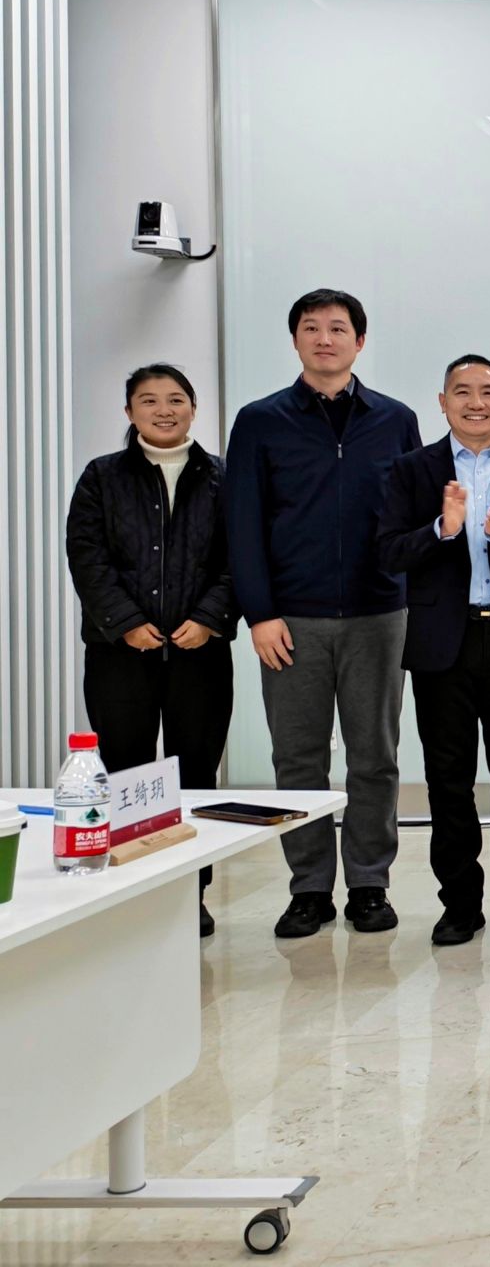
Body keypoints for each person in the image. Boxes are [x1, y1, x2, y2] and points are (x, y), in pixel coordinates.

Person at [225, 289, 422, 938]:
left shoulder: (395, 419)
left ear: (359, 342)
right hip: (291, 620)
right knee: (298, 759)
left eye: (338, 328)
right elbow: (243, 523)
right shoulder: (260, 421)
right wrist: (259, 614)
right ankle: (308, 887)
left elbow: (413, 517)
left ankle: (369, 883)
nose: (325, 339)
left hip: (378, 614)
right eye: (311, 328)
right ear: (295, 340)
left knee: (375, 756)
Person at [376, 355, 490, 946]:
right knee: (448, 777)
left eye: (488, 392)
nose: (475, 402)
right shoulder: (412, 470)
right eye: (462, 391)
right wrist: (444, 529)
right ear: (443, 402)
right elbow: (389, 551)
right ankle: (459, 902)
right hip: (443, 642)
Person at [66, 363, 237, 936]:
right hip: (120, 655)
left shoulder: (223, 478)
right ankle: (134, 894)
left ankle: (191, 895)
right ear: (129, 412)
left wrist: (210, 619)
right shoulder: (102, 476)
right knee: (127, 771)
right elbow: (87, 557)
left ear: (193, 408)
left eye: (175, 399)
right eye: (149, 400)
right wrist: (127, 623)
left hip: (200, 653)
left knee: (196, 775)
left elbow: (240, 558)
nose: (164, 410)